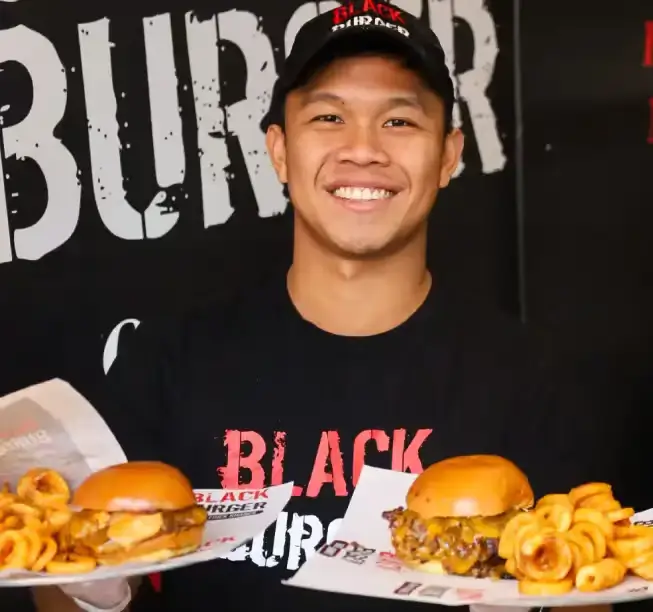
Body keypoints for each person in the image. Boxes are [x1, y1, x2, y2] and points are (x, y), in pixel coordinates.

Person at [31, 2, 620, 611]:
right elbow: (66, 595)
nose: (361, 149)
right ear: (280, 150)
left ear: (448, 155)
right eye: (329, 116)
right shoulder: (165, 363)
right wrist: (86, 587)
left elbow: (586, 592)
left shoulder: (532, 378)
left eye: (399, 121)